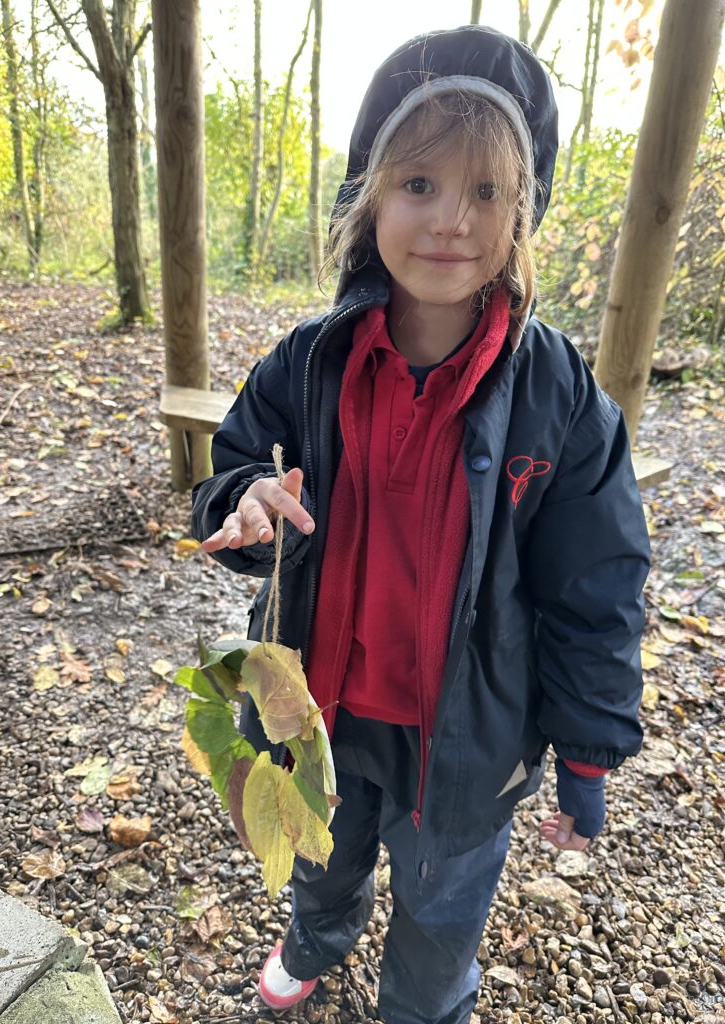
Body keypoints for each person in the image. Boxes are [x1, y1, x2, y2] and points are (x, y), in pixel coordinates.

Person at [192, 24, 650, 1024]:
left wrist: (585, 752)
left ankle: (425, 1005)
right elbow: (232, 461)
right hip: (323, 710)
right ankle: (316, 938)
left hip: (469, 742)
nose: (451, 221)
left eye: (487, 192)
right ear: (370, 197)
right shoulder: (309, 361)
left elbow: (598, 583)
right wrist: (242, 502)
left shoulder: (560, 397)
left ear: (525, 210)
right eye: (420, 186)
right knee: (321, 853)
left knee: (443, 910)